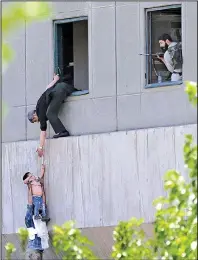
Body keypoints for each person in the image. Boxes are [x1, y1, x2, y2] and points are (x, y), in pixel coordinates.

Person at [27, 73, 75, 157]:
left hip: (60, 90)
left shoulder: (40, 113)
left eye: (35, 120)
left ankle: (63, 131)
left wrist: (40, 147)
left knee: (49, 113)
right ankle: (62, 131)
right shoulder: (40, 103)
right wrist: (55, 79)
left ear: (35, 115)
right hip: (64, 87)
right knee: (49, 112)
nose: (37, 121)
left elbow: (43, 133)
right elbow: (47, 88)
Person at [25, 188, 44, 260]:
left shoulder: (39, 219)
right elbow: (30, 205)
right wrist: (30, 188)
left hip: (38, 249)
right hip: (34, 249)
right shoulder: (29, 221)